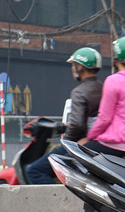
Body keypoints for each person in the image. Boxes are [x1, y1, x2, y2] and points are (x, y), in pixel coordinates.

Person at [27, 47, 103, 183]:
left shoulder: (79, 91)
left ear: (80, 66)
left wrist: (65, 143)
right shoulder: (103, 88)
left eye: (74, 65)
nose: (72, 69)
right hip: (97, 145)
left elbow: (78, 125)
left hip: (82, 145)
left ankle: (57, 203)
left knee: (35, 171)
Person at [81, 36, 125, 156]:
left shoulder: (113, 80)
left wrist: (90, 136)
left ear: (116, 57)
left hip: (117, 145)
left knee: (75, 158)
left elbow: (104, 118)